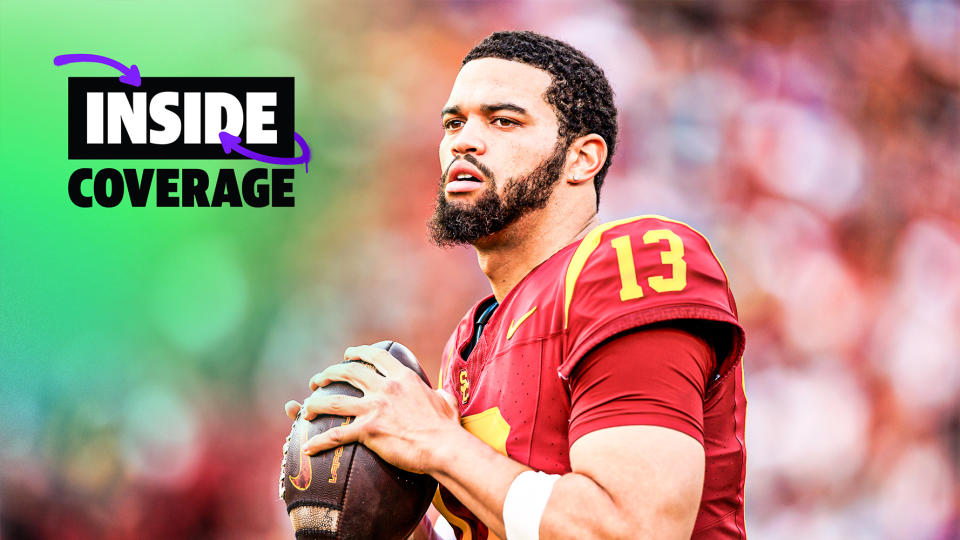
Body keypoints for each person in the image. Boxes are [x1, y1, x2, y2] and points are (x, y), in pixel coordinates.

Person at [285, 31, 746, 540]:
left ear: (582, 158)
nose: (463, 140)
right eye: (453, 123)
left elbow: (635, 528)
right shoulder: (470, 337)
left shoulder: (632, 259)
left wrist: (435, 441)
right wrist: (382, 493)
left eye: (503, 120)